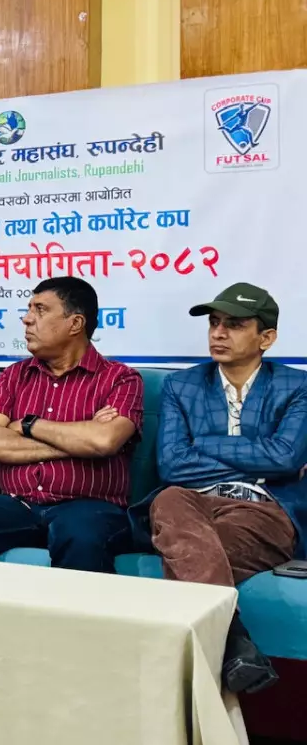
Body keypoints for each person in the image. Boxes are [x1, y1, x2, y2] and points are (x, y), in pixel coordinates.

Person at [133, 283, 307, 694]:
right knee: (169, 497)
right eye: (214, 323)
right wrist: (258, 452)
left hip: (262, 509)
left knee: (186, 549)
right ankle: (232, 640)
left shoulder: (297, 387)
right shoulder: (182, 386)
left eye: (235, 324)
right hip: (192, 505)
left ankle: (225, 643)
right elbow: (173, 464)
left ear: (266, 337)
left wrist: (204, 443)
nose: (218, 333)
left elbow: (284, 457)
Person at [0, 276, 142, 572]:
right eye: (29, 309)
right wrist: (80, 441)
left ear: (75, 323)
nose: (27, 319)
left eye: (40, 310)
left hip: (89, 506)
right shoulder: (13, 376)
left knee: (80, 536)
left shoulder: (121, 379)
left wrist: (27, 425)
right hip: (18, 504)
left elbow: (104, 441)